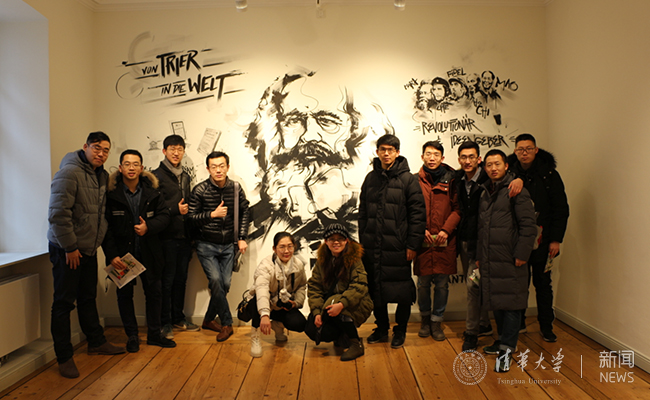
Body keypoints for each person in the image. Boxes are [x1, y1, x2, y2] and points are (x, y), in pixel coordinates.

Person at [47, 131, 125, 379]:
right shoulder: (70, 172)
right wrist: (70, 247)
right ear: (85, 147)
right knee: (63, 303)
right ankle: (64, 357)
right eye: (96, 148)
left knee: (88, 297)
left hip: (88, 248)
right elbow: (58, 214)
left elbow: (99, 215)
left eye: (106, 150)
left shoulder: (101, 175)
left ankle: (96, 342)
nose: (101, 154)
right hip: (67, 249)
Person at [103, 149, 175, 352]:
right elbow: (105, 228)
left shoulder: (153, 192)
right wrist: (111, 255)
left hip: (150, 253)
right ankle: (132, 336)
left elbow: (165, 217)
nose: (131, 168)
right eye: (127, 164)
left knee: (154, 294)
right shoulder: (111, 195)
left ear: (142, 168)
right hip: (122, 255)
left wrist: (148, 227)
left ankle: (154, 335)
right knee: (124, 296)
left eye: (135, 164)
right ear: (120, 168)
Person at [358, 134, 426, 348]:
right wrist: (363, 239)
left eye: (390, 150)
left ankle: (401, 329)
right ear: (377, 151)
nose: (386, 153)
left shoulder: (408, 180)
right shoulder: (371, 178)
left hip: (398, 247)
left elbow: (418, 216)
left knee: (402, 291)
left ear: (397, 152)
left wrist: (412, 245)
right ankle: (381, 328)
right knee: (376, 289)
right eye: (382, 149)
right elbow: (362, 212)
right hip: (372, 246)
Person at [477, 149, 537, 372]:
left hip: (511, 258)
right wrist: (480, 257)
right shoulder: (486, 191)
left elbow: (528, 226)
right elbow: (482, 228)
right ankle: (502, 341)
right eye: (489, 165)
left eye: (497, 164)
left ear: (506, 166)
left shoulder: (516, 190)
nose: (493, 168)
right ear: (485, 168)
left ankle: (507, 351)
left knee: (511, 304)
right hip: (491, 259)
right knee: (498, 302)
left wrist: (522, 254)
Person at [507, 133, 570, 342]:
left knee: (543, 283)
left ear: (536, 150)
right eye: (520, 149)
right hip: (517, 240)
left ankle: (546, 325)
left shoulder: (550, 174)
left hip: (544, 239)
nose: (524, 153)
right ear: (515, 152)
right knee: (519, 284)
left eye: (528, 149)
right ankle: (519, 323)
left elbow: (560, 208)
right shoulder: (509, 173)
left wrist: (556, 239)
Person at [189, 151, 250, 342]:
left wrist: (242, 237)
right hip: (206, 244)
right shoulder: (200, 190)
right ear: (208, 169)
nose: (218, 170)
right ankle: (226, 323)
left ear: (227, 167)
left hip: (229, 245)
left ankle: (208, 319)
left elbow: (245, 212)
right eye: (214, 166)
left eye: (221, 166)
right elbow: (190, 218)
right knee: (216, 280)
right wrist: (212, 215)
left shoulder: (236, 188)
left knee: (224, 284)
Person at [153, 134, 200, 339]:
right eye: (172, 149)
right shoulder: (155, 177)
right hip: (166, 237)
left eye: (180, 149)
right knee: (167, 281)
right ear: (164, 151)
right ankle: (165, 322)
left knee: (181, 280)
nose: (176, 152)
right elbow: (153, 210)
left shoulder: (186, 177)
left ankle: (178, 318)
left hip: (184, 237)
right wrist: (174, 210)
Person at [305, 223, 373, 361]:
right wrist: (317, 312)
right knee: (311, 328)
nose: (336, 242)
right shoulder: (322, 261)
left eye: (340, 239)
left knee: (335, 304)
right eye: (332, 239)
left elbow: (359, 285)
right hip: (332, 303)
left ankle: (356, 344)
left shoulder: (354, 259)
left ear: (346, 240)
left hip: (358, 303)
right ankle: (341, 335)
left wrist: (341, 304)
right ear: (326, 241)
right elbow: (314, 287)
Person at [414, 141, 460, 341]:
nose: (431, 158)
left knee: (442, 284)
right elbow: (410, 209)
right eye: (428, 154)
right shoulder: (414, 181)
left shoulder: (453, 180)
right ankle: (425, 320)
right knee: (423, 284)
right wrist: (420, 229)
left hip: (445, 241)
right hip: (422, 242)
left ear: (442, 158)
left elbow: (458, 209)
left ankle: (436, 321)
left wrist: (446, 230)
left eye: (436, 154)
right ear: (422, 156)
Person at [455, 141, 494, 351]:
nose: (467, 161)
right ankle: (484, 324)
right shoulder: (458, 180)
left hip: (481, 243)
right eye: (464, 157)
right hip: (464, 241)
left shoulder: (489, 181)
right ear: (459, 159)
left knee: (472, 286)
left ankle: (471, 333)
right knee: (475, 285)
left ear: (479, 159)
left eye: (472, 157)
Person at [248, 232, 308, 358]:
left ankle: (277, 325)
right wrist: (264, 314)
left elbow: (302, 285)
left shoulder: (298, 264)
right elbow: (262, 289)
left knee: (300, 324)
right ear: (274, 249)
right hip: (263, 303)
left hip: (281, 304)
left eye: (290, 246)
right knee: (256, 300)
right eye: (282, 247)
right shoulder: (265, 266)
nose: (286, 251)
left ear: (294, 247)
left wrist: (296, 302)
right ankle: (255, 336)